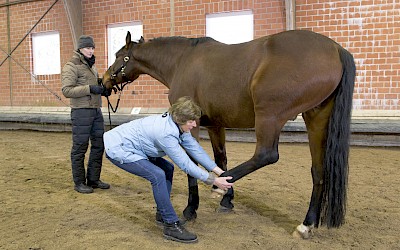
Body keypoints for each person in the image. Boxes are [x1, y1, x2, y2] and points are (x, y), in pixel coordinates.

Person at [103, 96, 234, 243]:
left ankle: (162, 215)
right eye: (191, 121)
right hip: (119, 148)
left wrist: (218, 171)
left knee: (167, 168)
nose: (194, 124)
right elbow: (185, 164)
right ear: (181, 120)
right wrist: (214, 180)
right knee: (158, 175)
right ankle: (171, 225)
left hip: (136, 147)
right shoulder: (166, 133)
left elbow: (195, 149)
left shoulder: (179, 124)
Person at [61, 35, 111, 194]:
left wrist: (103, 88)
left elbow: (93, 85)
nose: (91, 50)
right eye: (88, 48)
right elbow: (67, 90)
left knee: (98, 145)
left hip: (95, 110)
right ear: (80, 49)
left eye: (92, 48)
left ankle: (94, 179)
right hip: (81, 112)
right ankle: (79, 182)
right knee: (80, 147)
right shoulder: (72, 66)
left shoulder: (91, 65)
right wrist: (90, 88)